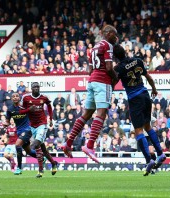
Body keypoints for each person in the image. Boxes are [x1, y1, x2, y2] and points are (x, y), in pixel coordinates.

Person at [62, 25, 119, 162]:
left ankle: (68, 143)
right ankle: (89, 146)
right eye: (114, 35)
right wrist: (115, 78)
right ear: (108, 33)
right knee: (101, 113)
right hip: (102, 81)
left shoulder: (94, 47)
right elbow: (109, 67)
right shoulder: (108, 46)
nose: (116, 38)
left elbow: (90, 69)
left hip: (92, 81)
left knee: (86, 115)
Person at [113, 44, 166, 176]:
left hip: (134, 99)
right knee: (148, 126)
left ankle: (149, 160)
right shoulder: (137, 60)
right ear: (125, 52)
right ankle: (160, 153)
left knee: (138, 131)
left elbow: (113, 83)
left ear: (115, 57)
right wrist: (154, 89)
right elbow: (148, 77)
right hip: (145, 94)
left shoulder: (118, 68)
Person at [21, 82, 58, 178]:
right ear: (31, 88)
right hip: (31, 125)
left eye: (38, 87)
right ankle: (53, 163)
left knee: (35, 144)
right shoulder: (26, 98)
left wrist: (50, 118)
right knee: (43, 149)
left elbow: (49, 106)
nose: (36, 88)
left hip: (42, 124)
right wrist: (29, 110)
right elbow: (22, 110)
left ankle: (40, 170)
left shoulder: (44, 98)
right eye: (34, 87)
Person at [4, 92, 38, 175]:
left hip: (27, 129)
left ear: (19, 98)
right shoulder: (10, 109)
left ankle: (19, 168)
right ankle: (42, 158)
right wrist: (5, 124)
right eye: (13, 96)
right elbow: (8, 121)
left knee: (17, 145)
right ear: (12, 99)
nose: (15, 97)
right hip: (19, 131)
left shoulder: (25, 106)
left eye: (17, 96)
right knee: (29, 151)